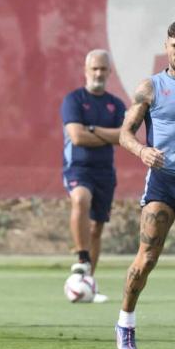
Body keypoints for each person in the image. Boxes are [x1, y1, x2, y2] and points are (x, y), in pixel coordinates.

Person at [115, 20, 175, 349]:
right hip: (164, 180)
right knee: (148, 256)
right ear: (166, 47)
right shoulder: (151, 88)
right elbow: (124, 133)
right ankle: (125, 322)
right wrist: (142, 150)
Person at [61, 49, 125, 303]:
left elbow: (123, 137)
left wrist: (93, 129)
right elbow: (76, 136)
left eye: (103, 69)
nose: (98, 73)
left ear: (109, 72)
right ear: (86, 70)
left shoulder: (116, 104)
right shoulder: (74, 100)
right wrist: (106, 134)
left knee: (97, 227)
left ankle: (89, 283)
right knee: (80, 200)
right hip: (77, 167)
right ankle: (82, 258)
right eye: (94, 68)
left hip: (105, 172)